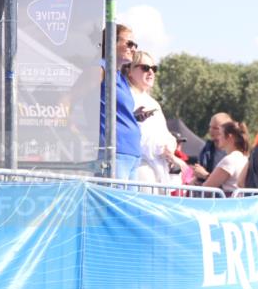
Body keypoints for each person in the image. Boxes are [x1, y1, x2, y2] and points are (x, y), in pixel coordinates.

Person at [127, 51, 183, 185]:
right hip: (141, 168)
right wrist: (160, 148)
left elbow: (165, 134)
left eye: (154, 68)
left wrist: (170, 145)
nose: (151, 72)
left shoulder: (153, 103)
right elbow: (132, 135)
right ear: (130, 70)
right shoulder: (127, 98)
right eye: (145, 68)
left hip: (159, 170)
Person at [99, 24, 141, 181]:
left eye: (135, 45)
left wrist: (133, 117)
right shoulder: (100, 68)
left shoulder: (120, 77)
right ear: (111, 42)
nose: (134, 49)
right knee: (114, 204)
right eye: (129, 43)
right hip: (114, 153)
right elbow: (70, 100)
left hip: (131, 154)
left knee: (127, 205)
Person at [202, 121, 249, 195]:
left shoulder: (230, 160)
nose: (218, 137)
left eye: (220, 134)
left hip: (228, 204)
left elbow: (206, 188)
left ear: (230, 137)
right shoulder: (244, 158)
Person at [194, 113, 231, 184]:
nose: (211, 130)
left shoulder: (232, 154)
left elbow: (227, 184)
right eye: (210, 127)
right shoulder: (207, 149)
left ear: (226, 130)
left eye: (215, 128)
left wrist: (205, 175)